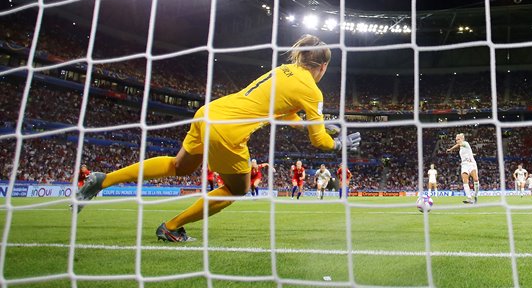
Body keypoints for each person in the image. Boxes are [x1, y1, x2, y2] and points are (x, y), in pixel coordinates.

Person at [75, 34, 361, 242]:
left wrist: (314, 126)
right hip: (230, 131)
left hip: (209, 113)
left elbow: (281, 113)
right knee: (237, 189)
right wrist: (337, 143)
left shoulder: (283, 71)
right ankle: (172, 226)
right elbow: (319, 142)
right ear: (322, 67)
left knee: (179, 165)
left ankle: (104, 179)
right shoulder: (312, 90)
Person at [446, 133, 479, 204]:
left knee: (476, 179)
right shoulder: (462, 148)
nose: (457, 141)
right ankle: (469, 198)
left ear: (462, 139)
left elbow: (459, 145)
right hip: (464, 165)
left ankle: (475, 195)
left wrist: (450, 149)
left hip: (471, 164)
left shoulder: (465, 143)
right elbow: (466, 152)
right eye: (456, 140)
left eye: (458, 139)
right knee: (465, 180)